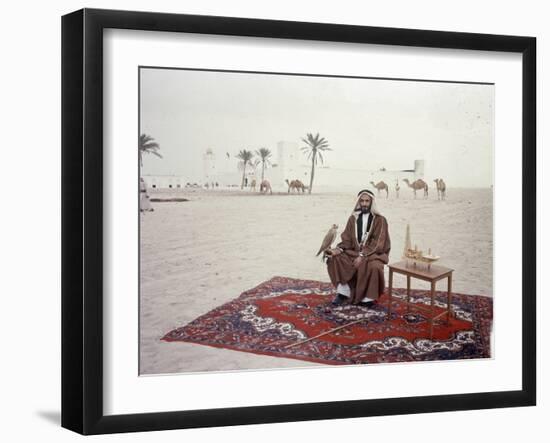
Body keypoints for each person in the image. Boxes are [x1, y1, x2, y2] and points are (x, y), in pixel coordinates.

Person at [325, 189, 391, 307]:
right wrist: (338, 249)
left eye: (367, 201)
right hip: (354, 252)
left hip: (373, 254)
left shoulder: (380, 220)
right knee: (335, 258)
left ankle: (368, 299)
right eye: (362, 201)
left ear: (371, 202)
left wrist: (362, 255)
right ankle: (343, 293)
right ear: (358, 202)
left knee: (374, 266)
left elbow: (378, 243)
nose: (364, 204)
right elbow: (347, 239)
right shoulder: (353, 219)